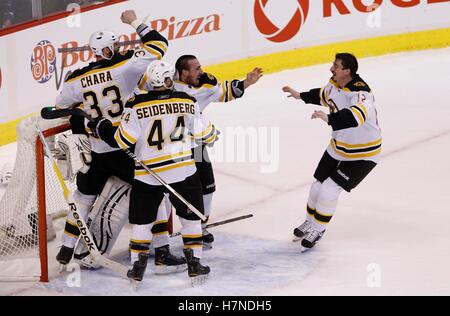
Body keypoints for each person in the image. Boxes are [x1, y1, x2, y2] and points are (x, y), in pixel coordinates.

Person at [54, 10, 185, 274]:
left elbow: (61, 106)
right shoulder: (124, 66)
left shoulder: (75, 78)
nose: (117, 48)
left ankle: (66, 248)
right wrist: (134, 22)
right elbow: (159, 44)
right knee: (155, 193)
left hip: (96, 151)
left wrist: (84, 113)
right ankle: (161, 251)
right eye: (113, 45)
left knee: (82, 197)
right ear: (105, 50)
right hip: (123, 146)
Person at [89, 60, 218, 283]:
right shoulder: (187, 101)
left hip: (148, 174)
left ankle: (137, 269)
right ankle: (195, 264)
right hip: (183, 172)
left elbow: (122, 140)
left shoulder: (135, 105)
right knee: (190, 220)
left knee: (142, 222)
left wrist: (102, 128)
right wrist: (213, 134)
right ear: (168, 80)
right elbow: (208, 135)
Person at [138, 55, 263, 247]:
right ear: (184, 72)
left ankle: (200, 227)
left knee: (207, 186)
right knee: (164, 190)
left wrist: (247, 82)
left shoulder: (205, 84)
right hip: (168, 148)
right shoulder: (163, 81)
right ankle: (159, 235)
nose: (201, 72)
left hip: (196, 144)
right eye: (197, 69)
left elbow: (226, 92)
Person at [282, 53, 381, 251]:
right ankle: (310, 222)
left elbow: (355, 117)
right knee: (317, 186)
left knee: (329, 189)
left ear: (347, 71)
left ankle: (318, 229)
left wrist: (329, 119)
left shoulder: (361, 93)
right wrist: (300, 95)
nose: (331, 68)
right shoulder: (334, 84)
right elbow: (324, 95)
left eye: (335, 66)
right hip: (338, 147)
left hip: (363, 154)